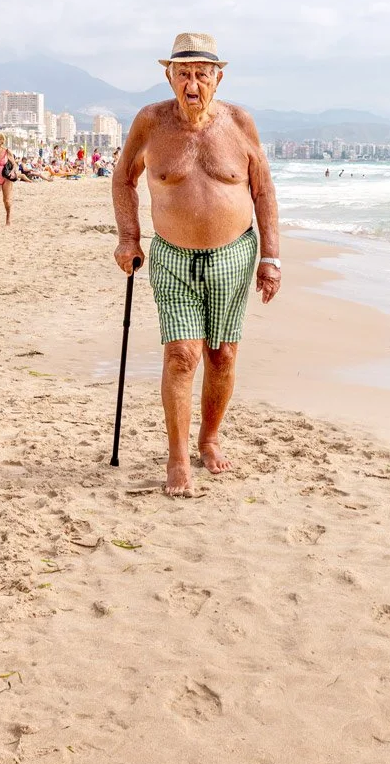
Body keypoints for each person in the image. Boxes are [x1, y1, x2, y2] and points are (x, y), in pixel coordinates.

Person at [112, 33, 281, 498]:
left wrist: (271, 257)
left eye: (201, 75)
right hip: (172, 256)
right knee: (182, 354)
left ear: (217, 78)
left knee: (222, 355)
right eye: (182, 74)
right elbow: (123, 178)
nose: (191, 84)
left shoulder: (239, 122)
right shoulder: (150, 122)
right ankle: (178, 457)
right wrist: (129, 237)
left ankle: (209, 438)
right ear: (168, 75)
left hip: (234, 255)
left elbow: (263, 190)